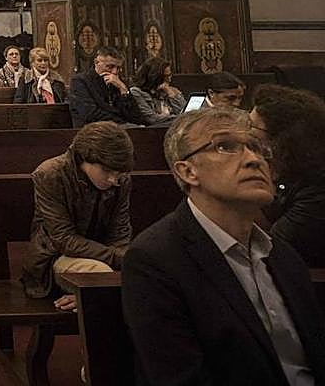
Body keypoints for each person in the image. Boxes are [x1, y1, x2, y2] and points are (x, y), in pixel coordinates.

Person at [122, 107, 325, 384]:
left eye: (258, 148)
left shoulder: (283, 256)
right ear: (188, 171)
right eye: (225, 146)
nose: (254, 159)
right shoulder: (155, 260)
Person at [21, 122, 134, 309]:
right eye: (106, 171)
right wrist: (118, 259)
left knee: (151, 276)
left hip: (105, 256)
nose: (114, 180)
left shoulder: (121, 180)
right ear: (84, 159)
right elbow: (64, 240)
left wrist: (123, 261)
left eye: (118, 174)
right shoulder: (51, 174)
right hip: (55, 258)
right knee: (103, 279)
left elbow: (120, 231)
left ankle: (91, 298)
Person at [250, 85, 325, 268]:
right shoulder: (288, 165)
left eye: (252, 126)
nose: (246, 133)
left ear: (281, 139)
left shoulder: (317, 186)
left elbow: (274, 248)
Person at [67, 46, 143, 127]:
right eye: (110, 67)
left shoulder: (118, 82)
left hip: (120, 128)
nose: (114, 72)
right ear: (96, 62)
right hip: (93, 130)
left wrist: (124, 90)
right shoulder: (80, 81)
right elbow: (90, 113)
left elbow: (136, 117)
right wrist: (121, 122)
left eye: (118, 68)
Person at [129, 57, 187, 126]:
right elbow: (152, 119)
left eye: (170, 75)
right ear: (155, 77)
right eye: (165, 76)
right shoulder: (136, 92)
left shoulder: (169, 90)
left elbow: (188, 114)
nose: (169, 80)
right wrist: (180, 118)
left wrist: (172, 95)